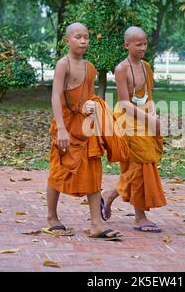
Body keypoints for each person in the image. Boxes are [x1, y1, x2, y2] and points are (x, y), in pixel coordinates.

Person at [47, 22, 122, 238]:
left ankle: (96, 223)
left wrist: (91, 107)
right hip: (66, 126)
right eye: (78, 37)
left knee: (93, 170)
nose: (83, 41)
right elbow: (55, 96)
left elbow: (89, 96)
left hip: (86, 127)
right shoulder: (64, 64)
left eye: (86, 37)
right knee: (59, 170)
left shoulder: (90, 67)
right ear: (67, 41)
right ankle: (52, 216)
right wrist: (61, 128)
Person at [101, 26, 167, 232]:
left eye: (145, 43)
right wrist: (149, 118)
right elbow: (124, 103)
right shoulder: (121, 69)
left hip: (145, 120)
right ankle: (140, 217)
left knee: (140, 167)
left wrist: (154, 116)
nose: (143, 47)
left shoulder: (147, 67)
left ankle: (109, 195)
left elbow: (148, 96)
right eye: (138, 44)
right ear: (126, 45)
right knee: (139, 167)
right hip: (128, 121)